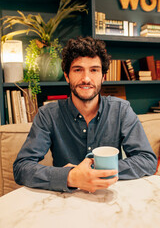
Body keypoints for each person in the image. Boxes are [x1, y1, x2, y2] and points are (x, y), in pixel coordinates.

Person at [13, 36, 157, 193]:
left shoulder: (121, 110)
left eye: (94, 70)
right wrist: (71, 177)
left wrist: (97, 172)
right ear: (67, 76)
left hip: (111, 198)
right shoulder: (47, 115)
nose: (86, 78)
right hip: (65, 201)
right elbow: (22, 168)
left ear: (103, 77)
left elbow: (147, 160)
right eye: (78, 70)